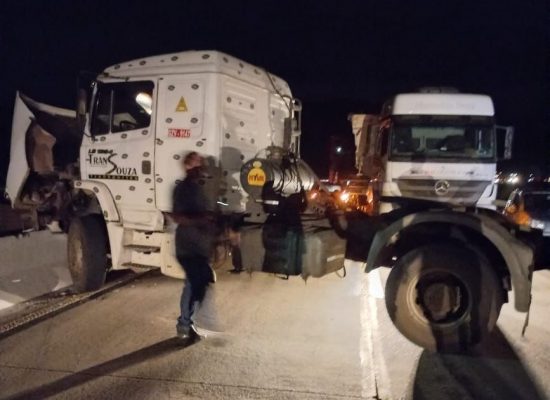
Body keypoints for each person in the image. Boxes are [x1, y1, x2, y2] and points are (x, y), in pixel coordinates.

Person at [171, 151, 216, 340]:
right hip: (188, 245)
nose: (202, 168)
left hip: (198, 244)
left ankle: (189, 324)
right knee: (194, 283)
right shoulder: (184, 189)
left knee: (199, 282)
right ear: (189, 166)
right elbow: (179, 216)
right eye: (198, 164)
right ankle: (185, 325)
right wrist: (203, 219)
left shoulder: (198, 187)